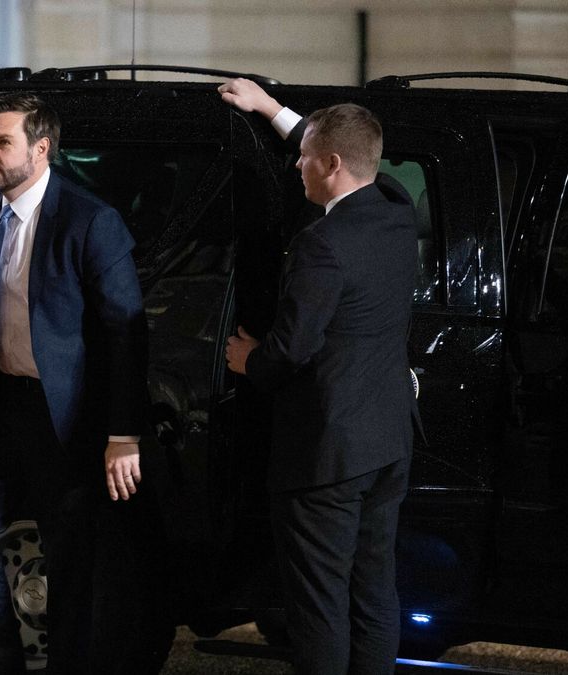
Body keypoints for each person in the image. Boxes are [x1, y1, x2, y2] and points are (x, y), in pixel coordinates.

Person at [0, 93, 150, 674]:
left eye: (2, 142)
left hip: (67, 416)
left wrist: (124, 433)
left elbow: (126, 332)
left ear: (41, 148)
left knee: (71, 563)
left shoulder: (90, 220)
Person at [219, 78, 418, 675]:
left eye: (306, 157)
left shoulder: (323, 243)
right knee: (374, 589)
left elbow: (290, 352)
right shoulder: (396, 208)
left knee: (318, 603)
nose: (298, 162)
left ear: (331, 165)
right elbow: (332, 140)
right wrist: (272, 110)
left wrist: (246, 359)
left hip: (326, 455)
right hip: (387, 441)